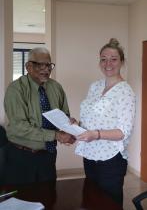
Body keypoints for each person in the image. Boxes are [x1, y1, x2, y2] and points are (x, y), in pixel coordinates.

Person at [75, 38, 136, 206]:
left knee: (109, 203)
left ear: (121, 62)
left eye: (113, 59)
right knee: (92, 199)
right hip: (90, 155)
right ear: (99, 62)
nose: (108, 63)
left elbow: (123, 132)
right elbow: (89, 118)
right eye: (103, 59)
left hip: (111, 160)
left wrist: (96, 134)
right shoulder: (95, 86)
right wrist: (75, 125)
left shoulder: (125, 92)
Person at [4, 47, 75, 184]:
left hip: (48, 155)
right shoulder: (16, 89)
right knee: (23, 199)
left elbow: (64, 115)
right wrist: (56, 135)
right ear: (28, 66)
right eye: (41, 65)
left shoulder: (56, 87)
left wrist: (69, 126)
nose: (47, 69)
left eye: (49, 65)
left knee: (48, 197)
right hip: (21, 156)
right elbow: (19, 126)